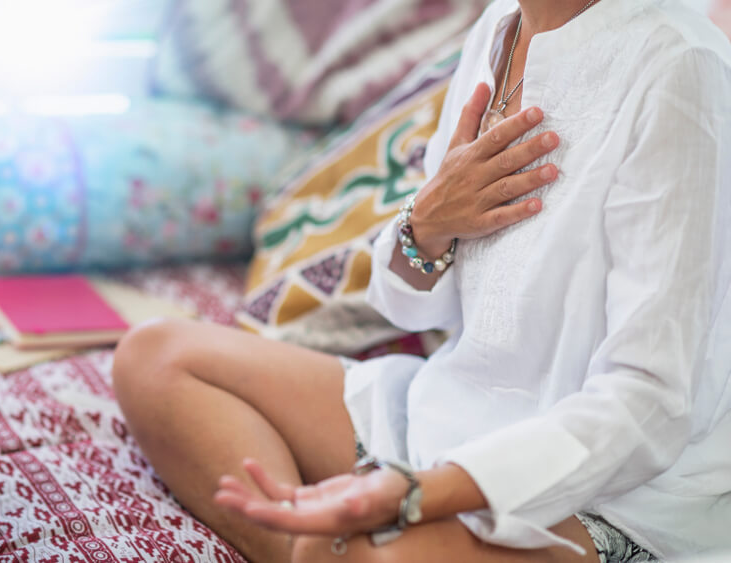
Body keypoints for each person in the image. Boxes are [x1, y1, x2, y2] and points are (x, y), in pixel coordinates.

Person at [111, 0, 731, 560]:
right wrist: (427, 224)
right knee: (157, 355)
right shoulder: (497, 29)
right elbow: (412, 307)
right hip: (453, 412)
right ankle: (318, 545)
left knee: (377, 555)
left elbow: (650, 403)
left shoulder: (682, 65)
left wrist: (418, 494)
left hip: (616, 490)